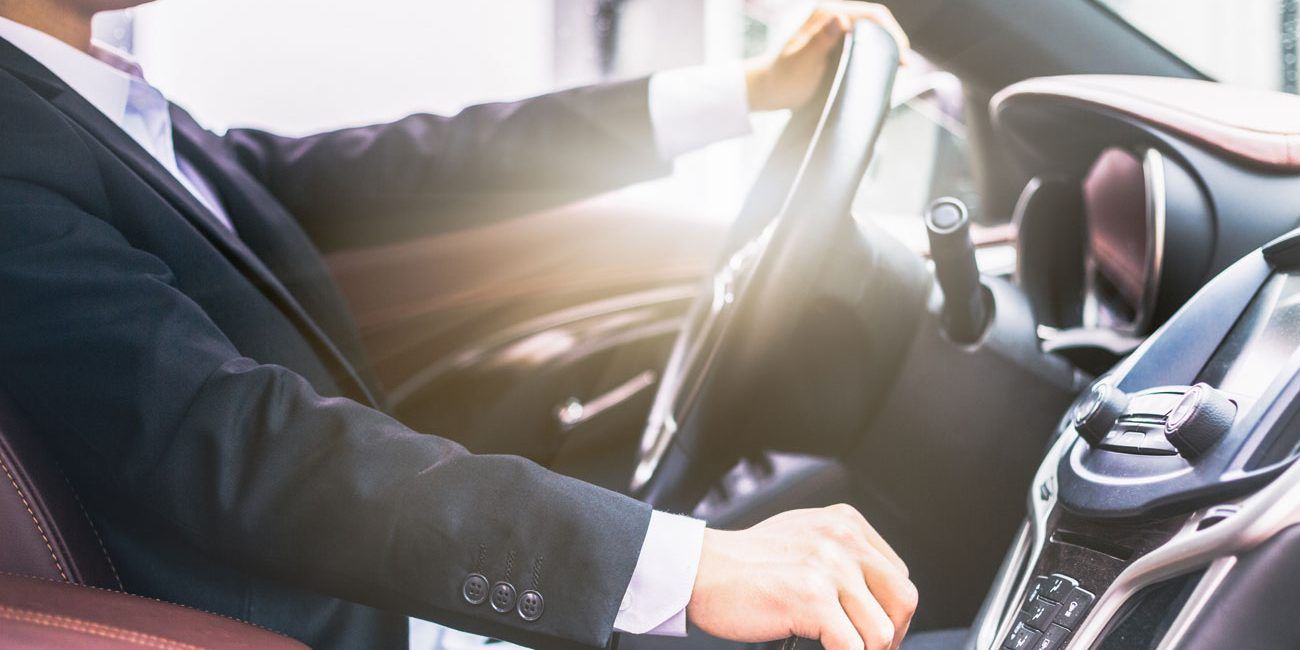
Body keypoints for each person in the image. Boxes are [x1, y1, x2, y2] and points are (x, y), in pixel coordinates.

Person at [0, 1, 917, 649]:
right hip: (335, 622)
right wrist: (681, 565)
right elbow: (237, 443)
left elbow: (379, 171)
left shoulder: (78, 97)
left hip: (380, 590)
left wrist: (742, 92)